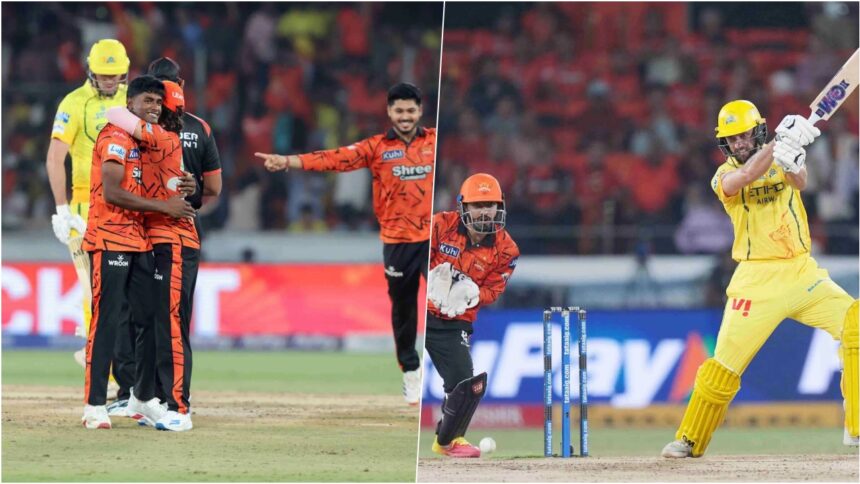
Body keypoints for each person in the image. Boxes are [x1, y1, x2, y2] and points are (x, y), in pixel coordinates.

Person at [661, 100, 858, 456]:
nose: (739, 143)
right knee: (725, 365)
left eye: (744, 135)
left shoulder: (779, 157)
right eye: (732, 138)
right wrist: (779, 142)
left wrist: (792, 157)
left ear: (757, 131)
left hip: (802, 271)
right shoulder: (722, 176)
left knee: (855, 322)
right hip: (756, 280)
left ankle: (857, 427)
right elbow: (746, 177)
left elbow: (800, 181)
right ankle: (689, 439)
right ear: (724, 143)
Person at [255, 83, 435, 405]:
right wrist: (287, 162)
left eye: (411, 110)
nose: (405, 116)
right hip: (397, 242)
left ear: (420, 111)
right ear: (389, 112)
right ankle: (411, 371)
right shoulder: (377, 147)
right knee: (404, 311)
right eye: (399, 110)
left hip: (432, 240)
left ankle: (449, 374)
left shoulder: (435, 141)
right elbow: (333, 159)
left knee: (446, 303)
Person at [81, 76, 194, 429]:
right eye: (148, 100)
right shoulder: (115, 137)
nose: (155, 107)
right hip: (109, 239)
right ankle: (94, 405)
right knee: (107, 320)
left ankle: (142, 397)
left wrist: (187, 184)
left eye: (158, 102)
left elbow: (163, 178)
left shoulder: (144, 141)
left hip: (140, 241)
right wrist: (164, 207)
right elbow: (112, 192)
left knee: (148, 319)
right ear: (130, 103)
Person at [46, 39, 129, 402]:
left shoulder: (133, 100)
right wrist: (62, 208)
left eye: (115, 74)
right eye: (103, 74)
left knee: (121, 291)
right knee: (93, 288)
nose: (109, 80)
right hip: (84, 208)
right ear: (90, 71)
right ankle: (101, 369)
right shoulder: (74, 103)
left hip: (125, 205)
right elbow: (54, 158)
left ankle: (106, 361)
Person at [424, 173, 520, 457]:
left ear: (500, 206)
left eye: (490, 205)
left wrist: (471, 295)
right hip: (419, 312)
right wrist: (430, 283)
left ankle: (448, 442)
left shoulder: (507, 249)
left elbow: (493, 290)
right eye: (478, 205)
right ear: (463, 206)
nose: (485, 211)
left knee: (465, 384)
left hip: (456, 320)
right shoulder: (440, 225)